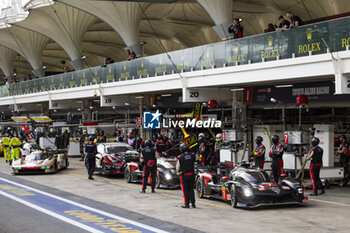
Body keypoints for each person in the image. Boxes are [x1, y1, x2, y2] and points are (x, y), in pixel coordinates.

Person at [176, 143, 196, 208]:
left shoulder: (180, 157)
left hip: (184, 176)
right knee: (191, 189)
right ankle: (193, 203)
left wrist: (178, 172)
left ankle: (186, 203)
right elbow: (197, 160)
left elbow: (177, 168)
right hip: (192, 175)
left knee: (185, 190)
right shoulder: (193, 155)